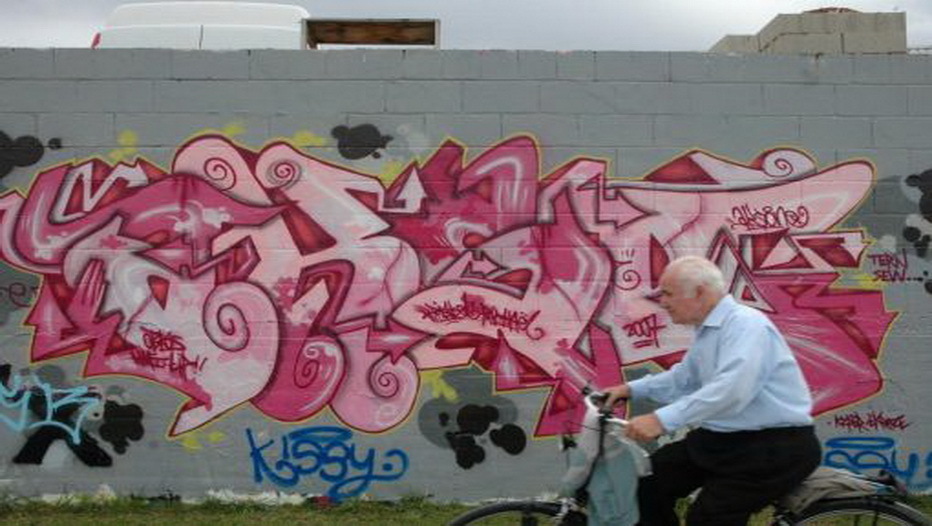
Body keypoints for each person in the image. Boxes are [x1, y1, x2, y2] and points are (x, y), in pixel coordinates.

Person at [604, 255, 821, 526]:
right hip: (724, 440)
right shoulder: (708, 331)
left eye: (668, 293)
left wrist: (661, 420)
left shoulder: (746, 325)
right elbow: (683, 380)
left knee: (709, 518)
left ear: (699, 292)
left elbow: (732, 390)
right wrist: (628, 389)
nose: (663, 302)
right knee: (643, 484)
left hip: (773, 448)